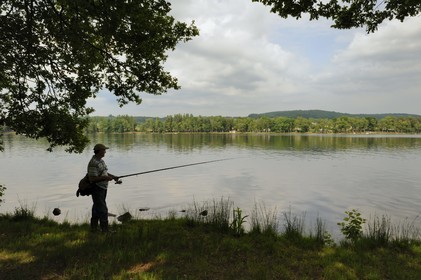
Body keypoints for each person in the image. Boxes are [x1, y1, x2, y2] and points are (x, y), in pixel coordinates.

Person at [88, 143, 119, 232]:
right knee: (102, 209)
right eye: (104, 150)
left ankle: (93, 229)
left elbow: (104, 173)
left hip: (102, 188)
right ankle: (105, 230)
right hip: (96, 188)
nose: (105, 152)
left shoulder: (100, 161)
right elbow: (92, 179)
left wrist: (113, 176)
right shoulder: (93, 163)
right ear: (100, 151)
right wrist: (105, 178)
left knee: (96, 208)